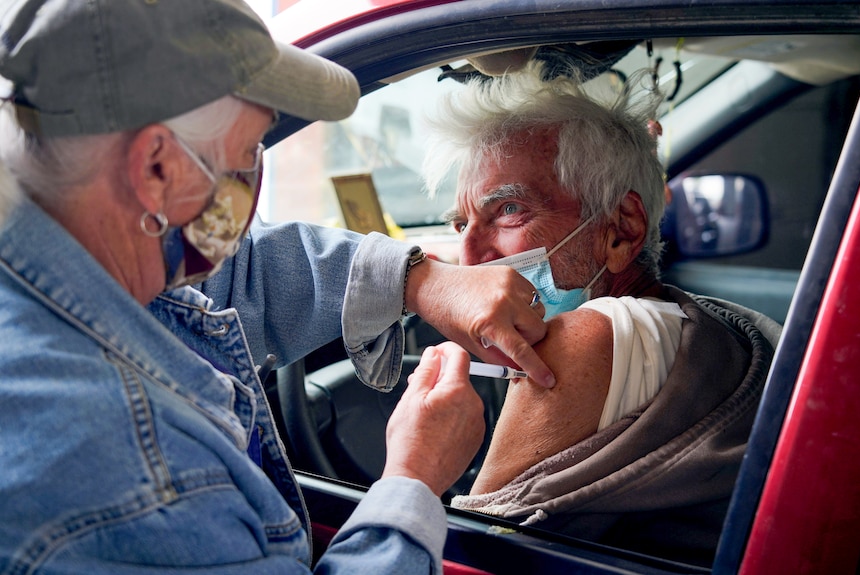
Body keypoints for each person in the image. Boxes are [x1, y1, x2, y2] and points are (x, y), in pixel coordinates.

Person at [0, 2, 555, 573]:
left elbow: (241, 272)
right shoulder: (133, 475)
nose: (250, 181)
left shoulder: (76, 253)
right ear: (157, 169)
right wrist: (413, 480)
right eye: (246, 154)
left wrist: (420, 279)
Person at [421, 58, 782, 566]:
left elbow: (467, 561)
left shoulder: (587, 336)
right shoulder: (696, 321)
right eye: (463, 223)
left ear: (621, 230)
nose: (470, 256)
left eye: (507, 210)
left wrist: (412, 471)